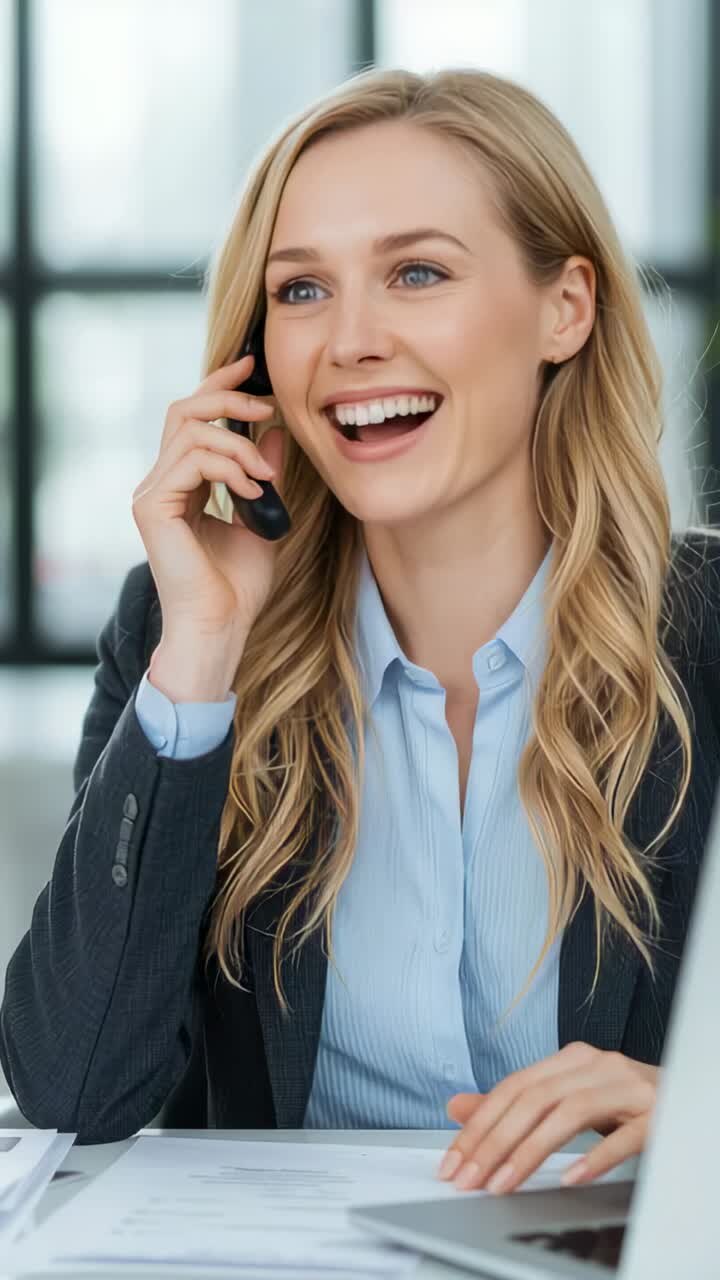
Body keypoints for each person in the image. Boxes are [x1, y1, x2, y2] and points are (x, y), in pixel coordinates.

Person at [2, 66, 719, 1197]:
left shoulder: (705, 638)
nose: (350, 341)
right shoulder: (180, 632)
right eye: (300, 290)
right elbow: (73, 1090)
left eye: (417, 272)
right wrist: (202, 652)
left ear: (565, 308)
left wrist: (699, 1112)